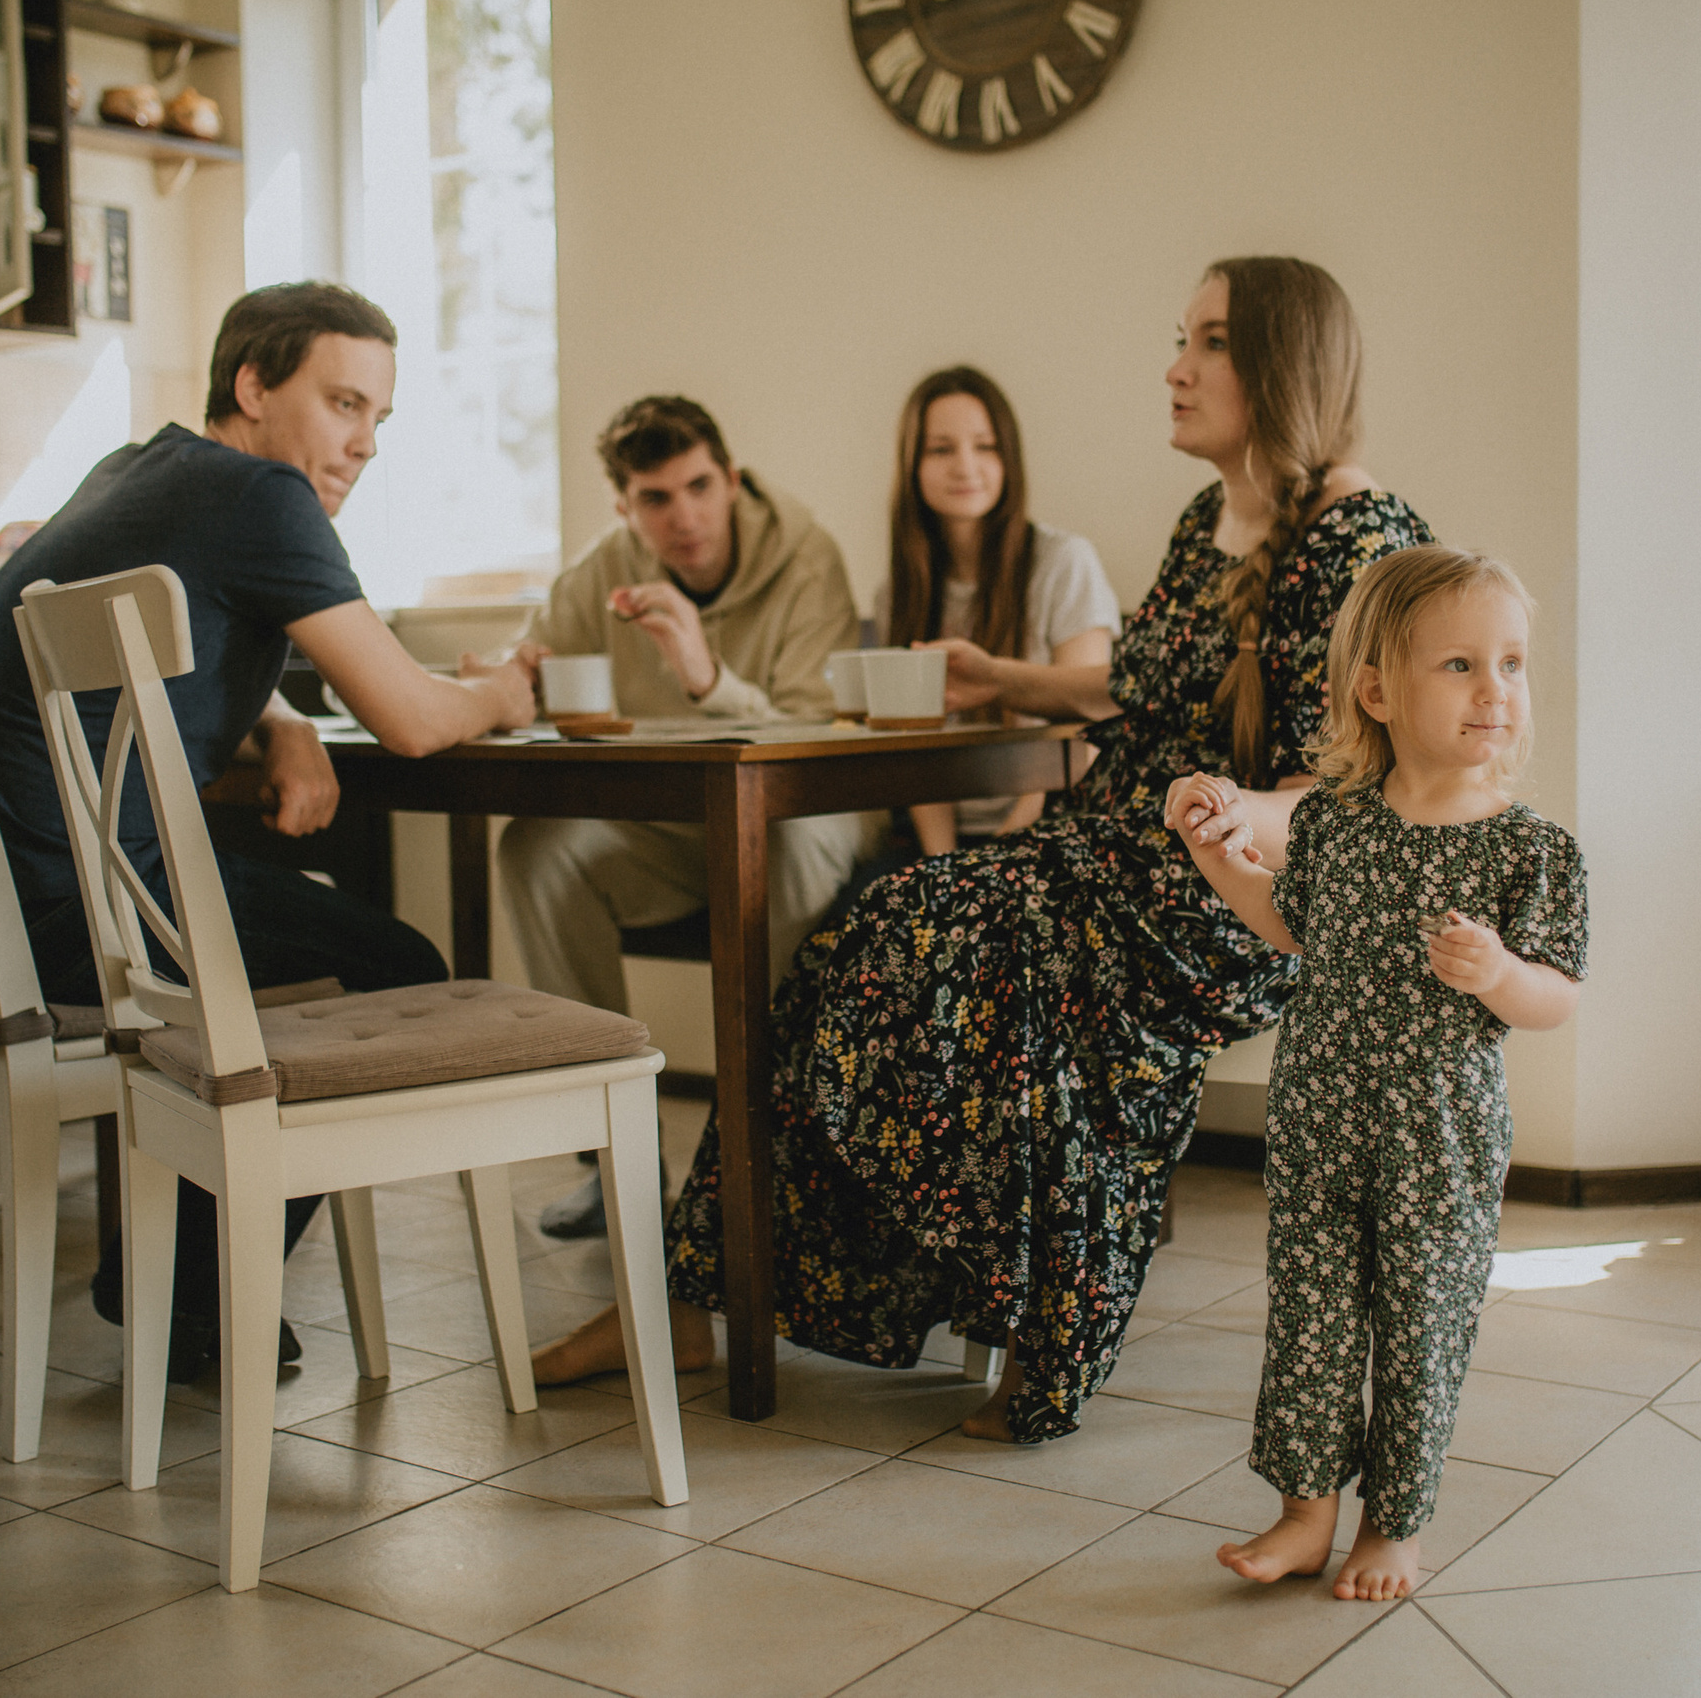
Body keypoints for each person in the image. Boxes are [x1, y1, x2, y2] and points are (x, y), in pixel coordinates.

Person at [531, 257, 1434, 1442]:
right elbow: (1142, 682)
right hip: (1120, 851)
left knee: (975, 949)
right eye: (1183, 336)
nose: (1175, 366)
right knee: (856, 938)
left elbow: (1370, 790)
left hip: (1238, 887)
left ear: (1283, 363)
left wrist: (1227, 810)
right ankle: (710, 1294)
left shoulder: (1364, 535)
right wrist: (1007, 678)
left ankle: (1037, 1321)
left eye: (1208, 342)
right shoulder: (1203, 519)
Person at [0, 280, 542, 1377]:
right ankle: (186, 1291)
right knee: (399, 965)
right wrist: (508, 692)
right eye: (344, 404)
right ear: (252, 385)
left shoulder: (136, 469)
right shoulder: (261, 498)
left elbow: (143, 657)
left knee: (313, 934)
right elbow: (410, 717)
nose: (365, 444)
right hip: (82, 913)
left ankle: (172, 1275)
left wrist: (278, 717)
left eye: (380, 419)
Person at [1170, 543, 1585, 1600]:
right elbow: (1291, 924)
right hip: (1318, 1116)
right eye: (1458, 666)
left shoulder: (1528, 851)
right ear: (1376, 689)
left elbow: (1555, 996)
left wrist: (1497, 972)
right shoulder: (1339, 824)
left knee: (1418, 1323)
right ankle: (1304, 1514)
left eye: (1511, 664)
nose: (1493, 690)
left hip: (1437, 1139)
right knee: (1309, 1316)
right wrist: (1225, 861)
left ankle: (1392, 1526)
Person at [499, 395, 864, 1238]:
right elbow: (530, 669)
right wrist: (512, 675)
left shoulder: (808, 557)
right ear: (626, 506)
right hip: (679, 824)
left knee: (793, 837)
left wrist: (707, 679)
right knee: (537, 848)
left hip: (803, 810)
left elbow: (817, 739)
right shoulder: (603, 571)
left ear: (731, 480)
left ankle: (772, 1155)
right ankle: (610, 1158)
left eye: (700, 486)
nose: (685, 515)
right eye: (656, 498)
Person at [883, 366, 1119, 853]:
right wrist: (944, 865)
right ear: (912, 465)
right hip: (939, 842)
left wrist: (1003, 847)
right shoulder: (897, 593)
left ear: (1009, 457)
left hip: (1049, 827)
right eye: (941, 449)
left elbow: (1087, 726)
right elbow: (911, 748)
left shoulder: (1063, 562)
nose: (965, 466)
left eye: (985, 446)